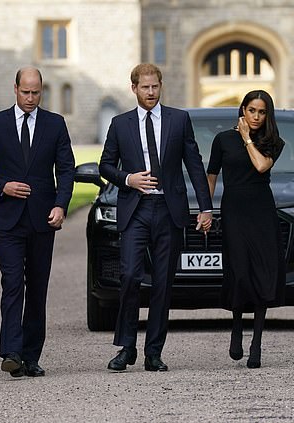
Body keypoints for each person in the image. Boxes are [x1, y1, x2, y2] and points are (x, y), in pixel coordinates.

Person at [99, 63, 213, 372]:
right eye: (145, 87)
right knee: (130, 276)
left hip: (169, 210)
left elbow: (194, 164)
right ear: (133, 88)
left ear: (160, 86)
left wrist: (205, 207)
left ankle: (154, 352)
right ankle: (126, 347)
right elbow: (105, 166)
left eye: (155, 87)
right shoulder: (120, 124)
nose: (150, 92)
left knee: (163, 282)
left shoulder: (179, 119)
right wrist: (128, 179)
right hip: (135, 209)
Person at [0, 67, 75, 378]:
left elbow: (66, 170)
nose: (30, 98)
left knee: (37, 289)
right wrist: (2, 186)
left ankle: (31, 357)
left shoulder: (55, 124)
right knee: (13, 283)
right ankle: (11, 351)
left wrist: (61, 205)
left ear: (42, 91)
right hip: (7, 219)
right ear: (15, 89)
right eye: (25, 92)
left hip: (43, 219)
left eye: (36, 93)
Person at [206, 90, 286, 369]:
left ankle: (257, 344)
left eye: (262, 112)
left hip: (261, 212)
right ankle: (238, 327)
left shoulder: (272, 141)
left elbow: (261, 166)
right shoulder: (222, 140)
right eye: (252, 110)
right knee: (239, 272)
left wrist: (248, 139)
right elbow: (212, 175)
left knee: (262, 273)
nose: (256, 116)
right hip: (234, 211)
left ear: (268, 115)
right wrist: (206, 209)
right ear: (242, 109)